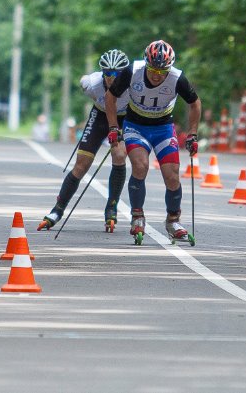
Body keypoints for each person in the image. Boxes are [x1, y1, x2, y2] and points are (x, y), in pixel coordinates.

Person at [105, 40, 202, 245]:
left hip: (163, 128)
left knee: (172, 174)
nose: (157, 75)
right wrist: (114, 127)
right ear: (146, 64)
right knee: (140, 167)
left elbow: (195, 103)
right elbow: (110, 97)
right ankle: (137, 217)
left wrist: (193, 133)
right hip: (135, 126)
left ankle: (173, 221)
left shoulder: (177, 77)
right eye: (152, 69)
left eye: (162, 71)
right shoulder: (133, 71)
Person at [39, 49, 131, 232]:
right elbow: (84, 80)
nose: (111, 77)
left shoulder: (133, 85)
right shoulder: (92, 83)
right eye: (107, 73)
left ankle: (111, 208)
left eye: (116, 74)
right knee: (82, 165)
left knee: (119, 155)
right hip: (100, 117)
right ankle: (57, 210)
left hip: (124, 119)